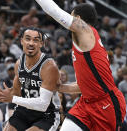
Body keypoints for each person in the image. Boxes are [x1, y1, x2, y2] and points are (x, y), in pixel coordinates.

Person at [35, 0, 126, 130]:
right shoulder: (85, 43)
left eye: (71, 16)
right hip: (86, 103)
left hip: (106, 104)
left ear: (78, 19)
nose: (68, 22)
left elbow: (53, 10)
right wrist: (59, 87)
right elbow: (82, 86)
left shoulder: (85, 31)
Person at [0, 27, 61, 131]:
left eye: (36, 40)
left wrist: (12, 98)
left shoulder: (49, 66)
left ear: (41, 44)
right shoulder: (19, 64)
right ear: (21, 41)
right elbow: (16, 93)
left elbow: (43, 105)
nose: (31, 43)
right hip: (24, 110)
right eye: (28, 39)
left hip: (46, 114)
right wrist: (4, 94)